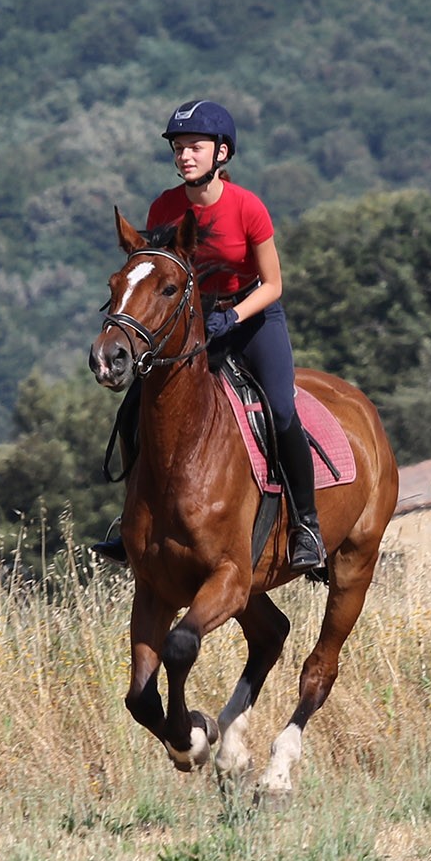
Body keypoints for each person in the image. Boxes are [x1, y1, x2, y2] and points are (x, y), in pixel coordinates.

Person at [93, 99, 327, 574]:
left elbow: (274, 284)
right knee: (135, 409)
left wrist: (233, 316)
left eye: (194, 147)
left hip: (253, 317)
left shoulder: (248, 208)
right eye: (179, 148)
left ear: (222, 153)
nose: (184, 156)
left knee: (281, 409)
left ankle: (306, 526)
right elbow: (159, 275)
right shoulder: (165, 206)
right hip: (192, 323)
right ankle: (133, 518)